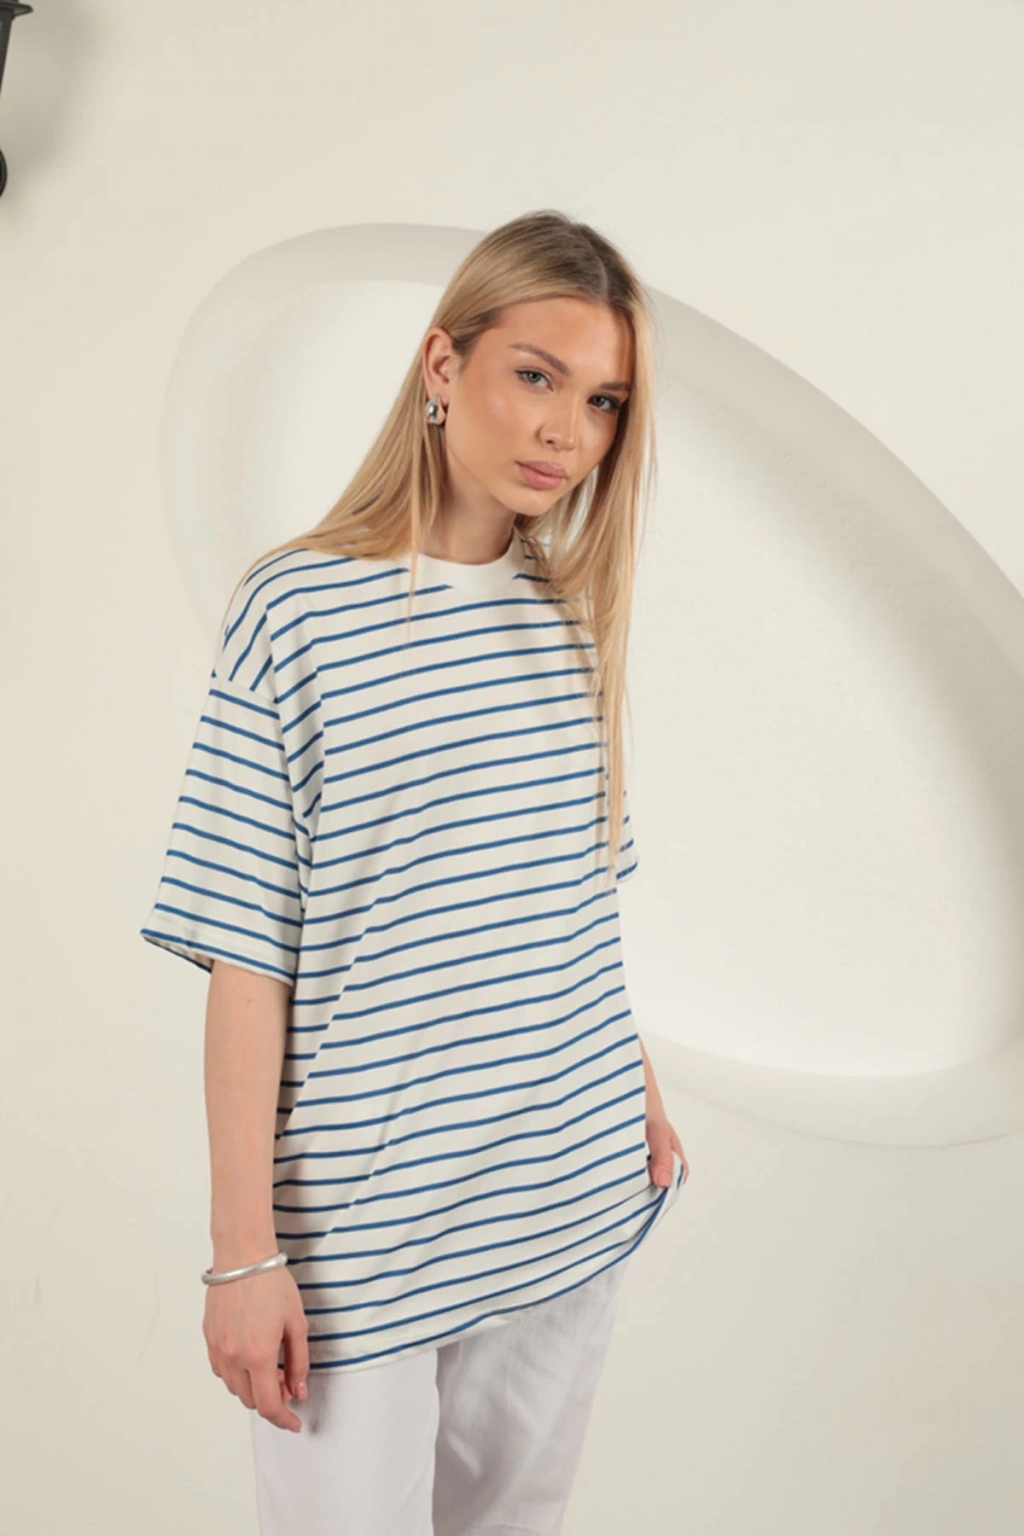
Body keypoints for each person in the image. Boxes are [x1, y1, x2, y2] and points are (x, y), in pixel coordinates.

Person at [140, 207, 690, 1536]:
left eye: (602, 400)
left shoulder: (573, 619)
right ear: (444, 365)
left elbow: (568, 910)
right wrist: (241, 1254)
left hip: (566, 1180)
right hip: (363, 1227)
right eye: (537, 375)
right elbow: (246, 955)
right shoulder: (296, 613)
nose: (568, 431)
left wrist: (639, 1092)